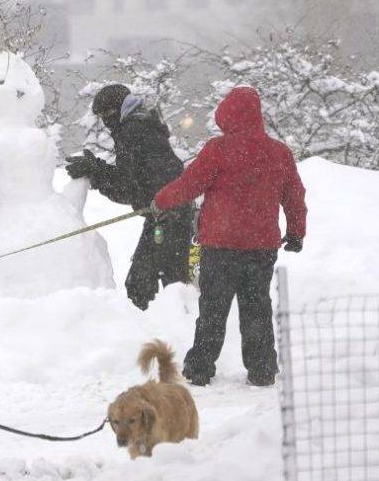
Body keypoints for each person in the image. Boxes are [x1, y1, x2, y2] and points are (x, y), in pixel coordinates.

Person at [153, 86, 307, 387]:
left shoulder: (218, 150)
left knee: (213, 309)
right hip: (261, 248)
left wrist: (160, 201)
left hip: (221, 246)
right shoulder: (278, 152)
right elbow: (294, 195)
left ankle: (200, 368)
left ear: (227, 115)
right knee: (257, 309)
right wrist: (296, 232)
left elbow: (190, 184)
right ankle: (262, 369)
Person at [66, 84, 194, 311]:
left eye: (106, 114)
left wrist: (96, 171)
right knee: (163, 284)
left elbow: (129, 187)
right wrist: (97, 170)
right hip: (168, 213)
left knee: (147, 286)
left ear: (117, 109)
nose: (105, 122)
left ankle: (168, 334)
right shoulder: (141, 125)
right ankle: (169, 330)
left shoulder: (133, 131)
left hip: (168, 216)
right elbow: (137, 180)